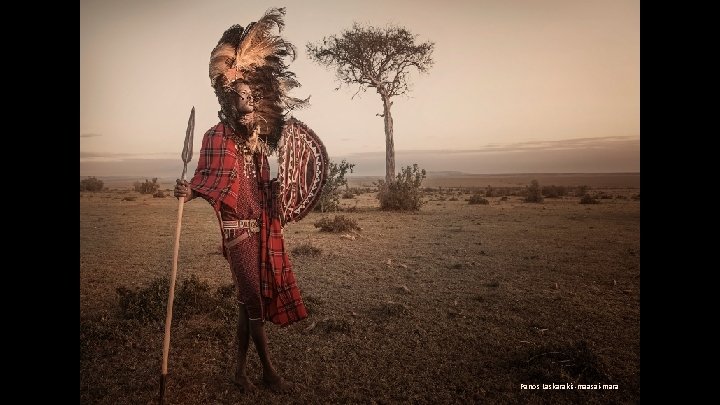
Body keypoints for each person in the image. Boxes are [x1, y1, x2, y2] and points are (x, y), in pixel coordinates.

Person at [174, 7, 309, 393]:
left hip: (262, 227)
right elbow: (206, 180)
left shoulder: (256, 146)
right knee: (254, 306)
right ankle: (269, 373)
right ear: (230, 102)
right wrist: (190, 191)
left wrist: (287, 187)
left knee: (247, 305)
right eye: (242, 97)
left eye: (252, 96)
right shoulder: (217, 137)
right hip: (236, 232)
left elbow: (265, 187)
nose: (248, 102)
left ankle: (237, 373)